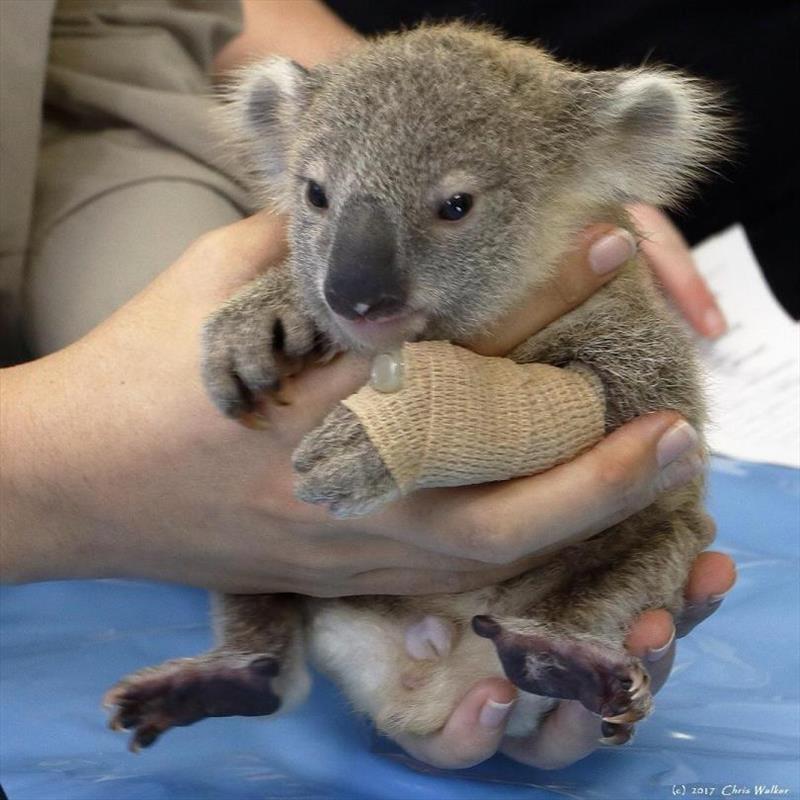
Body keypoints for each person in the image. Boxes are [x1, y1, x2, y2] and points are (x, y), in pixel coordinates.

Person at [0, 0, 736, 770]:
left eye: (453, 207)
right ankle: (259, 653)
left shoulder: (597, 274)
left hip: (539, 589)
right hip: (363, 612)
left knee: (662, 526)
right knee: (266, 468)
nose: (351, 289)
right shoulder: (315, 271)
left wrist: (145, 384)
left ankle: (568, 639)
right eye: (314, 196)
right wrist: (91, 447)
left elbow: (108, 50)